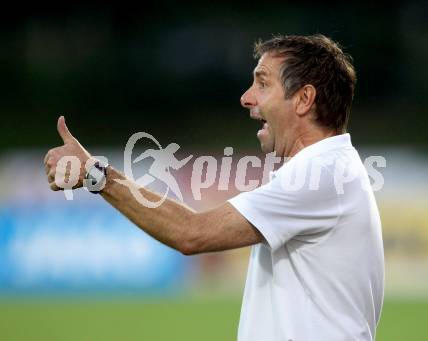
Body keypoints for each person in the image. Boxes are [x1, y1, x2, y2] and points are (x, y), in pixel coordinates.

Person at [44, 34, 384, 340]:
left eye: (262, 84)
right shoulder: (327, 170)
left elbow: (191, 233)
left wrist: (97, 175)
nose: (246, 97)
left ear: (304, 98)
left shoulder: (322, 174)